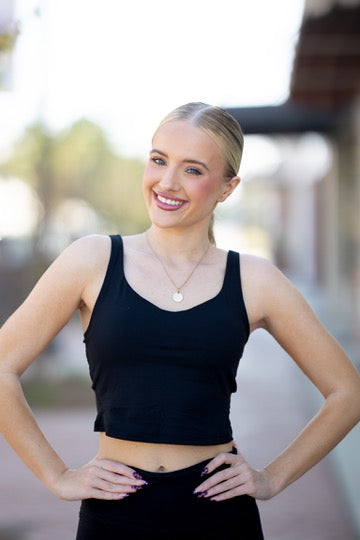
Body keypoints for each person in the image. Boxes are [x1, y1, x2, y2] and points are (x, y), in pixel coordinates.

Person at [0, 102, 359, 540]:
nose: (167, 183)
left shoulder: (256, 279)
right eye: (158, 160)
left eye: (192, 169)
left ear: (228, 188)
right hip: (115, 512)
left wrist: (271, 477)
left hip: (219, 513)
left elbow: (347, 392)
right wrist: (56, 476)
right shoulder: (91, 260)